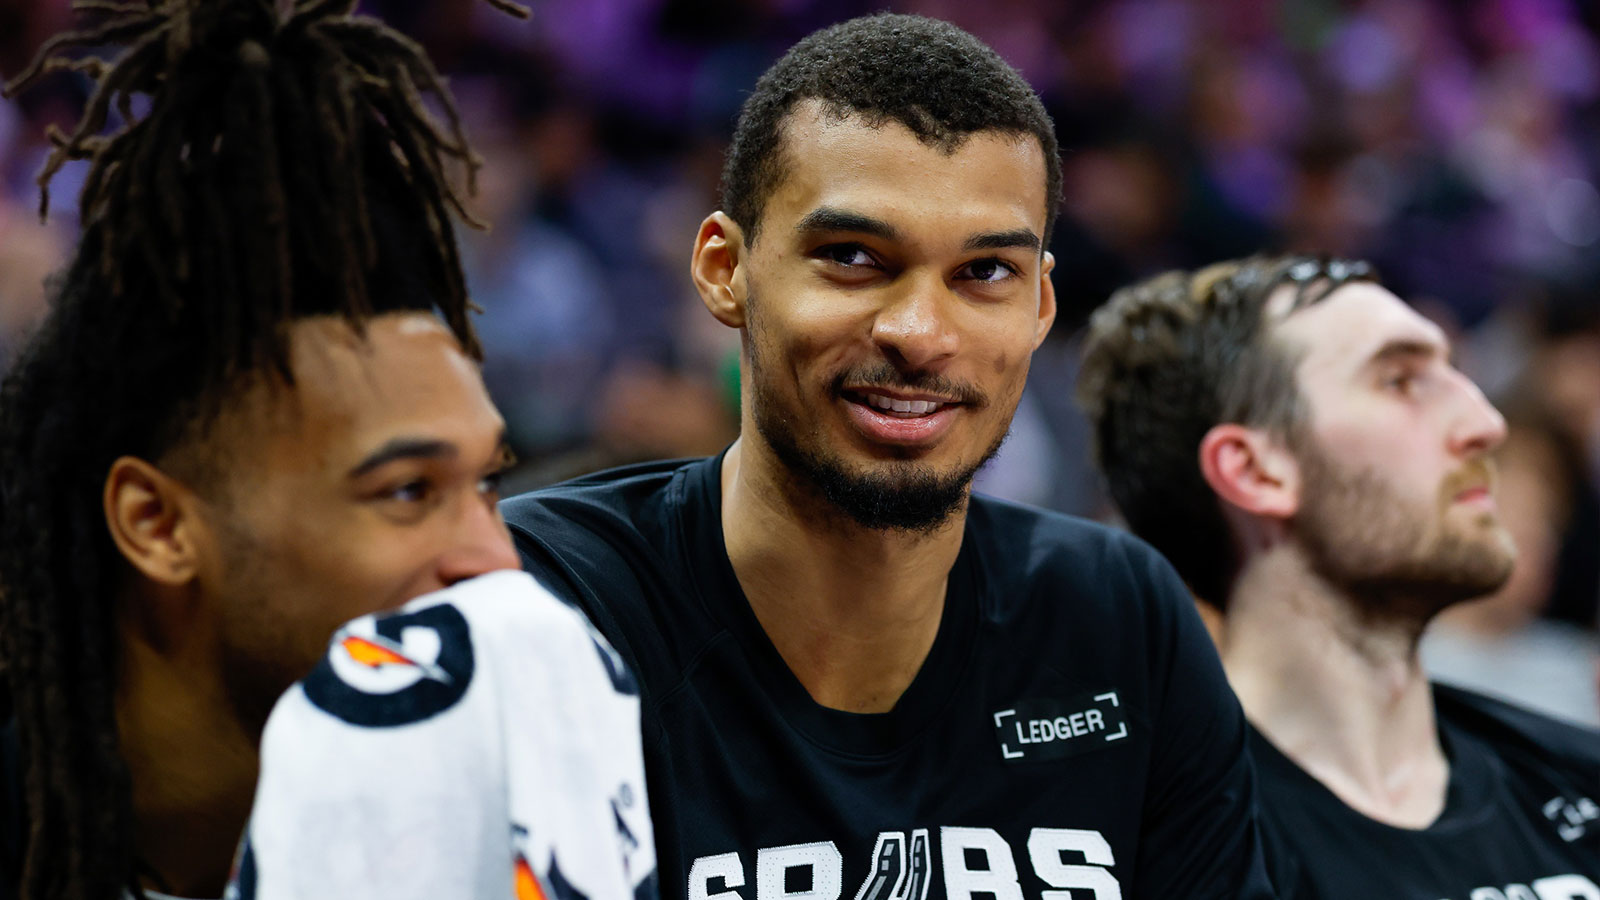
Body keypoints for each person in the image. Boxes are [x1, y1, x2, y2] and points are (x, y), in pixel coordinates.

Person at [502, 14, 1275, 900]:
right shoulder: (539, 603)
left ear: (1041, 305)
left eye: (985, 272)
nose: (919, 335)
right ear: (726, 268)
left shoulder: (1119, 616)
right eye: (854, 258)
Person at [0, 1, 650, 898]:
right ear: (156, 524)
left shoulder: (514, 763)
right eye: (406, 491)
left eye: (488, 484)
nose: (494, 562)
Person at [1077, 255, 1600, 899]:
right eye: (1402, 380)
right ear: (1255, 471)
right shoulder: (1134, 850)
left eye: (1457, 371)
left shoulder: (1578, 778)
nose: (1487, 425)